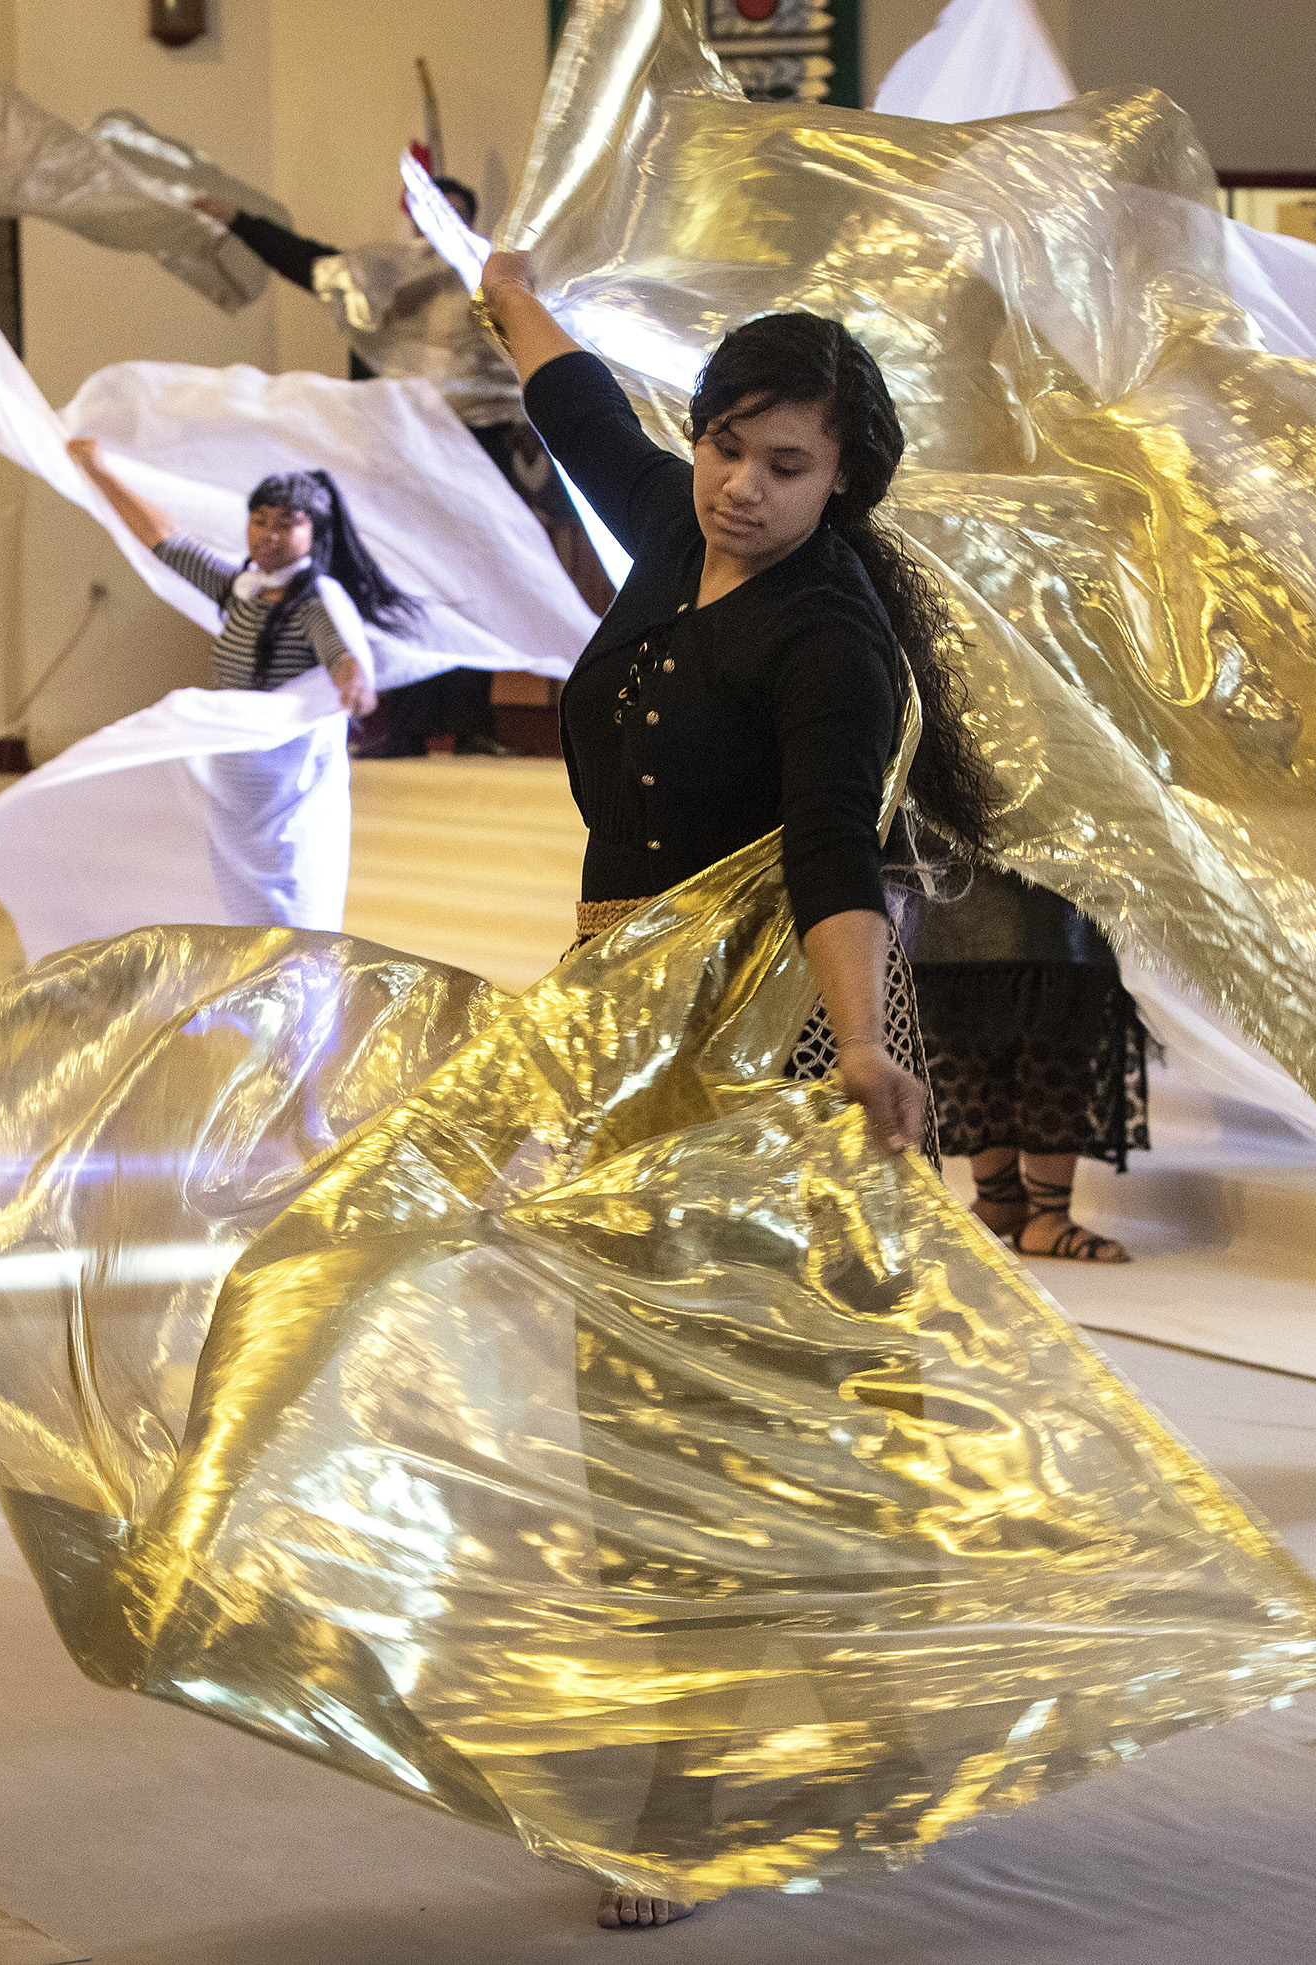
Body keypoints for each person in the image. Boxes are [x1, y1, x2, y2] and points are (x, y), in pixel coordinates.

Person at [480, 249, 1010, 1924]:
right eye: (728, 444)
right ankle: (861, 1710)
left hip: (778, 1045)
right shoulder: (673, 528)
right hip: (633, 1035)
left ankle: (691, 1791)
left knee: (712, 1406)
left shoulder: (830, 637)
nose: (743, 484)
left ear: (845, 478)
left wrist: (861, 1045)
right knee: (659, 1390)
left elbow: (833, 856)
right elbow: (572, 404)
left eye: (789, 465)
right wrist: (500, 283)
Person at [193, 176, 605, 751]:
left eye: (450, 214)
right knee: (401, 581)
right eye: (426, 212)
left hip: (475, 448)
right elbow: (309, 262)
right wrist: (238, 219)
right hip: (397, 452)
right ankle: (407, 724)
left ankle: (469, 724)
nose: (435, 225)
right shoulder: (383, 274)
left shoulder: (491, 274)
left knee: (473, 581)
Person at [61, 445, 402, 923]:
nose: (269, 535)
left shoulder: (316, 598)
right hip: (235, 775)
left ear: (314, 530)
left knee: (286, 899)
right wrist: (97, 471)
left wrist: (354, 684)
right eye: (260, 521)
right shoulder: (241, 587)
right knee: (234, 902)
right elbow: (165, 541)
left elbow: (340, 652)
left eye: (287, 524)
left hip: (285, 780)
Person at [915, 863, 1150, 1262]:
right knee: (962, 996)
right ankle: (1000, 1196)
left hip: (1051, 851)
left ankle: (1046, 1213)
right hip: (954, 844)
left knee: (1055, 993)